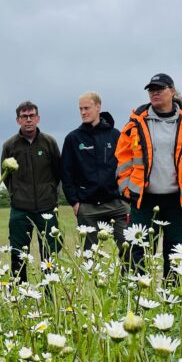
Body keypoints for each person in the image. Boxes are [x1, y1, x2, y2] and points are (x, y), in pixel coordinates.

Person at [115, 73, 182, 276]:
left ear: (172, 91)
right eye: (151, 89)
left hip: (181, 200)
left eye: (160, 89)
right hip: (144, 198)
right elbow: (122, 159)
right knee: (136, 251)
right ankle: (137, 299)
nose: (155, 92)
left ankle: (175, 301)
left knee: (177, 253)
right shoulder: (135, 123)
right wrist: (126, 188)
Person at [0, 101, 62, 283]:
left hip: (47, 208)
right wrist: (16, 195)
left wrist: (51, 194)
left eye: (32, 116)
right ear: (18, 120)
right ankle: (19, 296)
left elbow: (58, 172)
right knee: (18, 254)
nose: (28, 120)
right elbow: (5, 176)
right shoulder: (9, 145)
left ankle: (50, 296)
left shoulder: (49, 142)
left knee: (50, 254)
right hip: (20, 209)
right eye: (24, 117)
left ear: (38, 118)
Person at [61, 92, 127, 251]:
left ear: (98, 107)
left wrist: (125, 198)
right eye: (80, 109)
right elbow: (66, 173)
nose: (83, 112)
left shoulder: (115, 135)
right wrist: (75, 203)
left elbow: (126, 165)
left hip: (116, 204)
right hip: (87, 207)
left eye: (87, 108)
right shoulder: (73, 138)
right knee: (90, 256)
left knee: (129, 250)